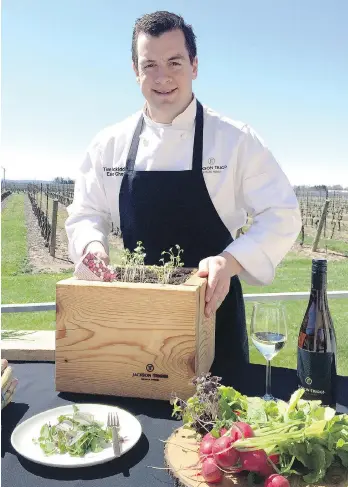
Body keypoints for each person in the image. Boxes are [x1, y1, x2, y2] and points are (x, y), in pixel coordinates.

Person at [65, 11, 302, 388]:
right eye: (150, 65)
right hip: (141, 316)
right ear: (135, 70)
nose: (163, 77)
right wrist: (92, 246)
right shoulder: (108, 144)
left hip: (215, 313)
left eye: (174, 62)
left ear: (194, 65)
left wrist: (231, 261)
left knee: (219, 428)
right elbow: (86, 212)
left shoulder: (235, 139)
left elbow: (282, 213)